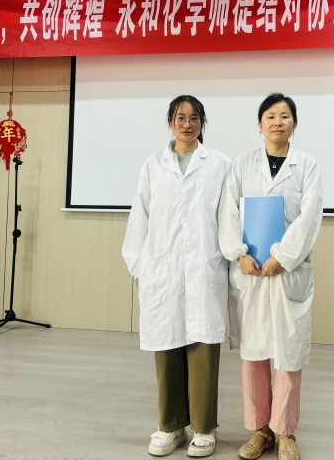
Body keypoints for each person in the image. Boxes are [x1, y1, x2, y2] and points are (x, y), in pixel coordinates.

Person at [121, 95, 231, 458]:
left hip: (204, 265)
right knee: (166, 344)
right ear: (170, 122)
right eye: (180, 117)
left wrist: (231, 259)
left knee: (203, 345)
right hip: (162, 267)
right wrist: (138, 265)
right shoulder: (153, 165)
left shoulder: (219, 164)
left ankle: (204, 427)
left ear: (203, 123)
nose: (187, 123)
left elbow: (229, 217)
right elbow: (140, 215)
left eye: (194, 118)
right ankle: (170, 426)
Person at [219, 93, 324, 460]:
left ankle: (285, 432)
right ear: (259, 124)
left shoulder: (306, 165)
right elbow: (227, 211)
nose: (278, 122)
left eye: (285, 116)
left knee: (288, 354)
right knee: (253, 353)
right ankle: (259, 429)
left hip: (286, 271)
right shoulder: (241, 164)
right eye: (271, 116)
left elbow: (310, 216)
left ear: (294, 123)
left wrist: (282, 256)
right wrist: (239, 253)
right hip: (251, 271)